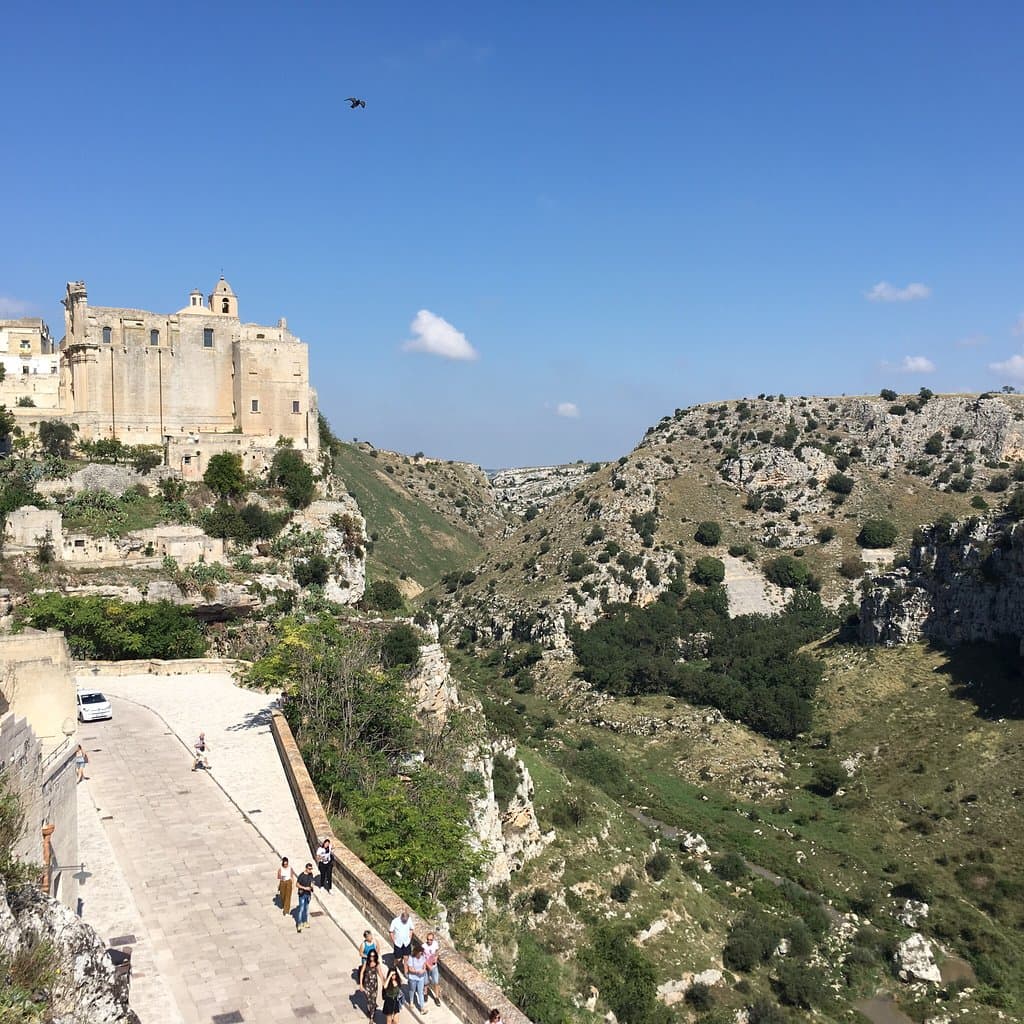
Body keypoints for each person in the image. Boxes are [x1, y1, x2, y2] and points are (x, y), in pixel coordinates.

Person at [359, 947, 385, 1020]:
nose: (372, 957)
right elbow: (362, 973)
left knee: (373, 999)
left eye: (373, 956)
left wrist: (383, 983)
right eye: (371, 956)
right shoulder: (366, 963)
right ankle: (371, 1009)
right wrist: (361, 984)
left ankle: (371, 1017)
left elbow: (380, 973)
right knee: (368, 999)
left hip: (374, 984)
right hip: (367, 984)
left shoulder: (377, 963)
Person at [405, 941, 429, 1013]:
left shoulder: (423, 957)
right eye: (419, 953)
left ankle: (422, 1008)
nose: (420, 954)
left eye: (421, 953)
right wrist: (417, 972)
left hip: (421, 977)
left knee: (420, 992)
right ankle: (411, 1001)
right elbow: (410, 969)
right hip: (413, 977)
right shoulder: (411, 958)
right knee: (412, 990)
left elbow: (424, 966)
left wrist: (423, 970)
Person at [423, 930, 442, 1006]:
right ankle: (425, 994)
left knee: (436, 982)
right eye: (428, 939)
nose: (429, 941)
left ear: (433, 940)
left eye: (431, 940)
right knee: (426, 981)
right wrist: (428, 966)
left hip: (434, 966)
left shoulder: (435, 944)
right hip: (427, 966)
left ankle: (437, 997)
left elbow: (437, 951)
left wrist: (436, 957)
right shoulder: (423, 946)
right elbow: (422, 959)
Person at [296, 861, 315, 932]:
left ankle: (305, 922)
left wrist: (312, 885)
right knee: (301, 909)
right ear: (306, 868)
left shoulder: (311, 874)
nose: (310, 870)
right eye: (309, 869)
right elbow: (297, 884)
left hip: (308, 894)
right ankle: (299, 924)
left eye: (311, 869)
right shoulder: (301, 876)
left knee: (306, 908)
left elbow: (312, 881)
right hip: (302, 894)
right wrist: (305, 888)